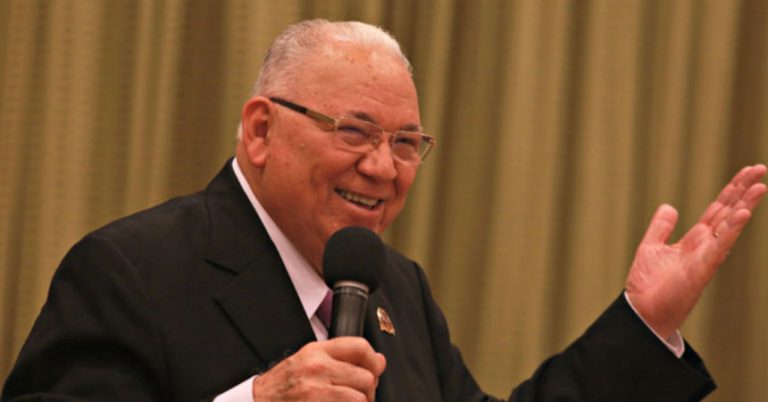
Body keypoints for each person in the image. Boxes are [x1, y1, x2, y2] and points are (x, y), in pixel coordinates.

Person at [2, 19, 766, 402]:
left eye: (406, 143)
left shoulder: (396, 288)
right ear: (261, 130)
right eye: (354, 132)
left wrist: (643, 323)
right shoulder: (131, 271)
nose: (382, 167)